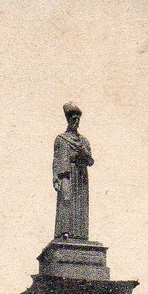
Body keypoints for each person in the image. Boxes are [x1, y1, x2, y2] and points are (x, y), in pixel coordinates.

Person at [53, 102, 94, 240]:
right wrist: (55, 178)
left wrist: (84, 153)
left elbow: (91, 161)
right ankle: (63, 232)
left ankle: (80, 234)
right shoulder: (61, 139)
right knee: (66, 199)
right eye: (73, 119)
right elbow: (56, 160)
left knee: (80, 203)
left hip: (81, 174)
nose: (76, 121)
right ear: (68, 119)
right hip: (67, 174)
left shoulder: (84, 141)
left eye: (78, 119)